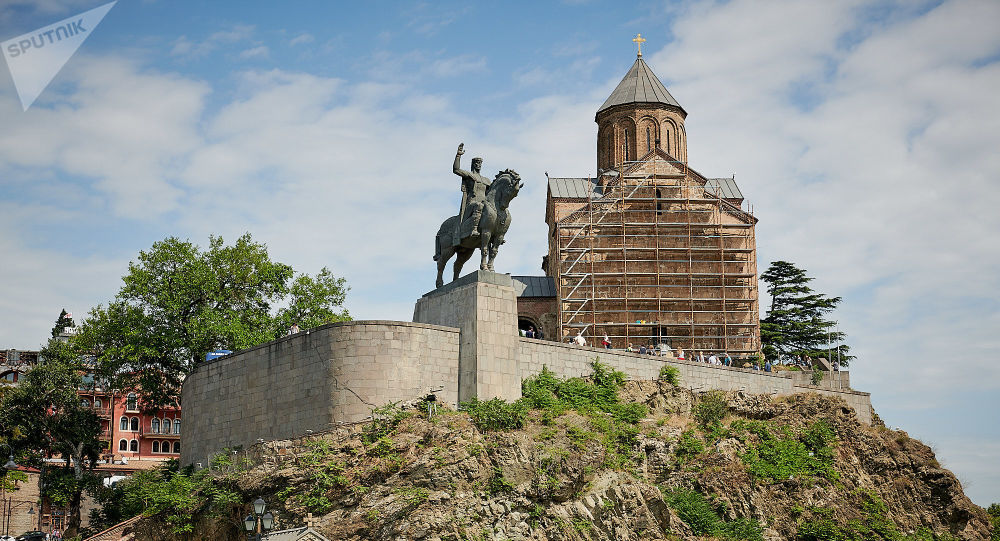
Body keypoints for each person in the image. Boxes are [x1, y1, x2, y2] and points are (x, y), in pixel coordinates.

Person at [452, 143, 493, 242]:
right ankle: (474, 229)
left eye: (480, 163)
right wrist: (458, 155)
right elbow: (456, 169)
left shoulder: (486, 180)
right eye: (477, 163)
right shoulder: (469, 175)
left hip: (484, 203)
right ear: (473, 164)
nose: (479, 165)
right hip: (472, 203)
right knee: (478, 205)